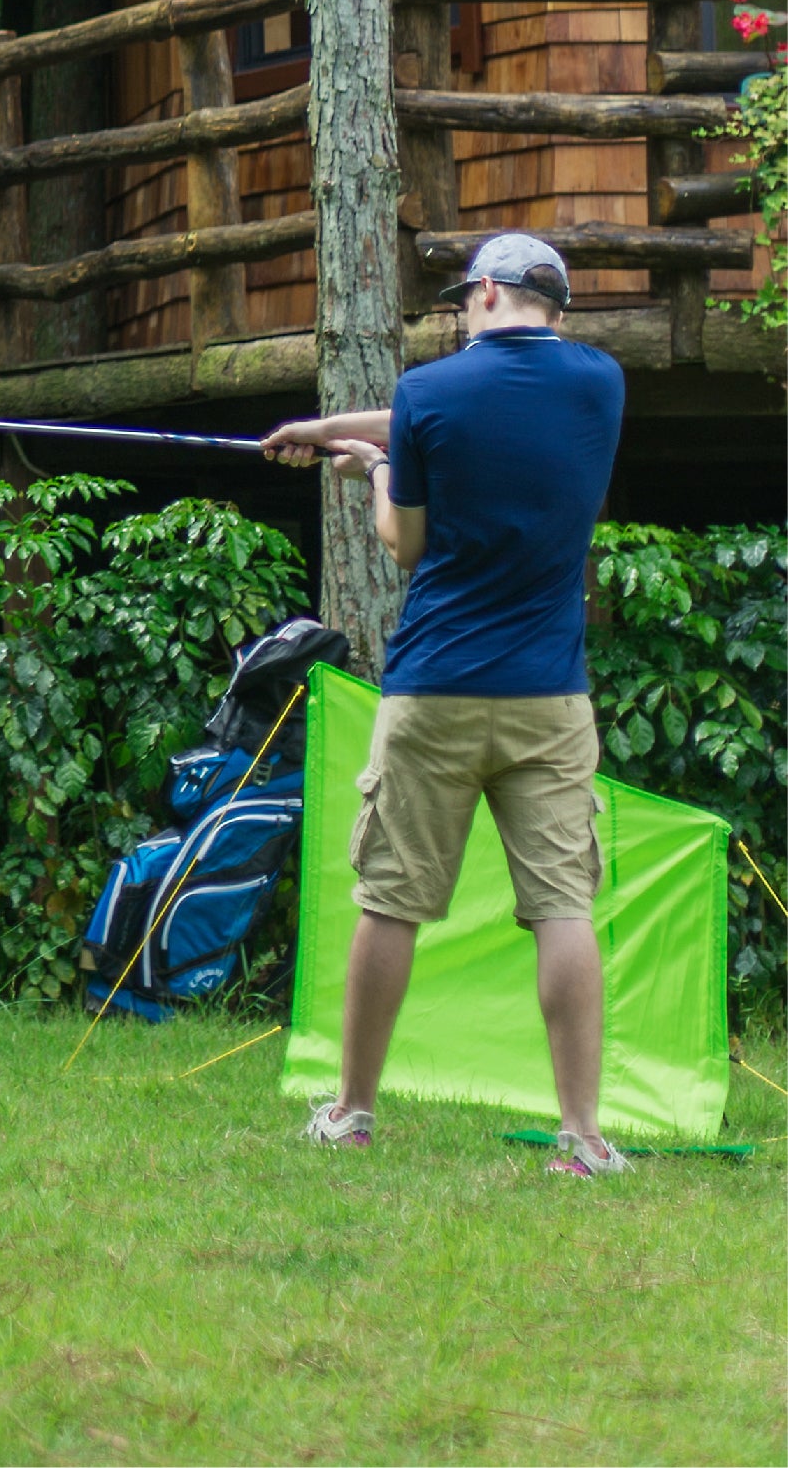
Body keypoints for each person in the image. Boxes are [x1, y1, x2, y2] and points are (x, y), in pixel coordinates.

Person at [262, 232, 630, 1178]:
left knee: (390, 902)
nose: (461, 310)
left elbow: (405, 543)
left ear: (492, 294)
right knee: (562, 908)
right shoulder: (601, 385)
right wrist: (325, 427)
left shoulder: (430, 391)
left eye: (465, 297)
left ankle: (351, 1114)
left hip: (433, 690)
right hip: (549, 697)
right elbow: (450, 412)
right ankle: (582, 1139)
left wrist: (376, 474)